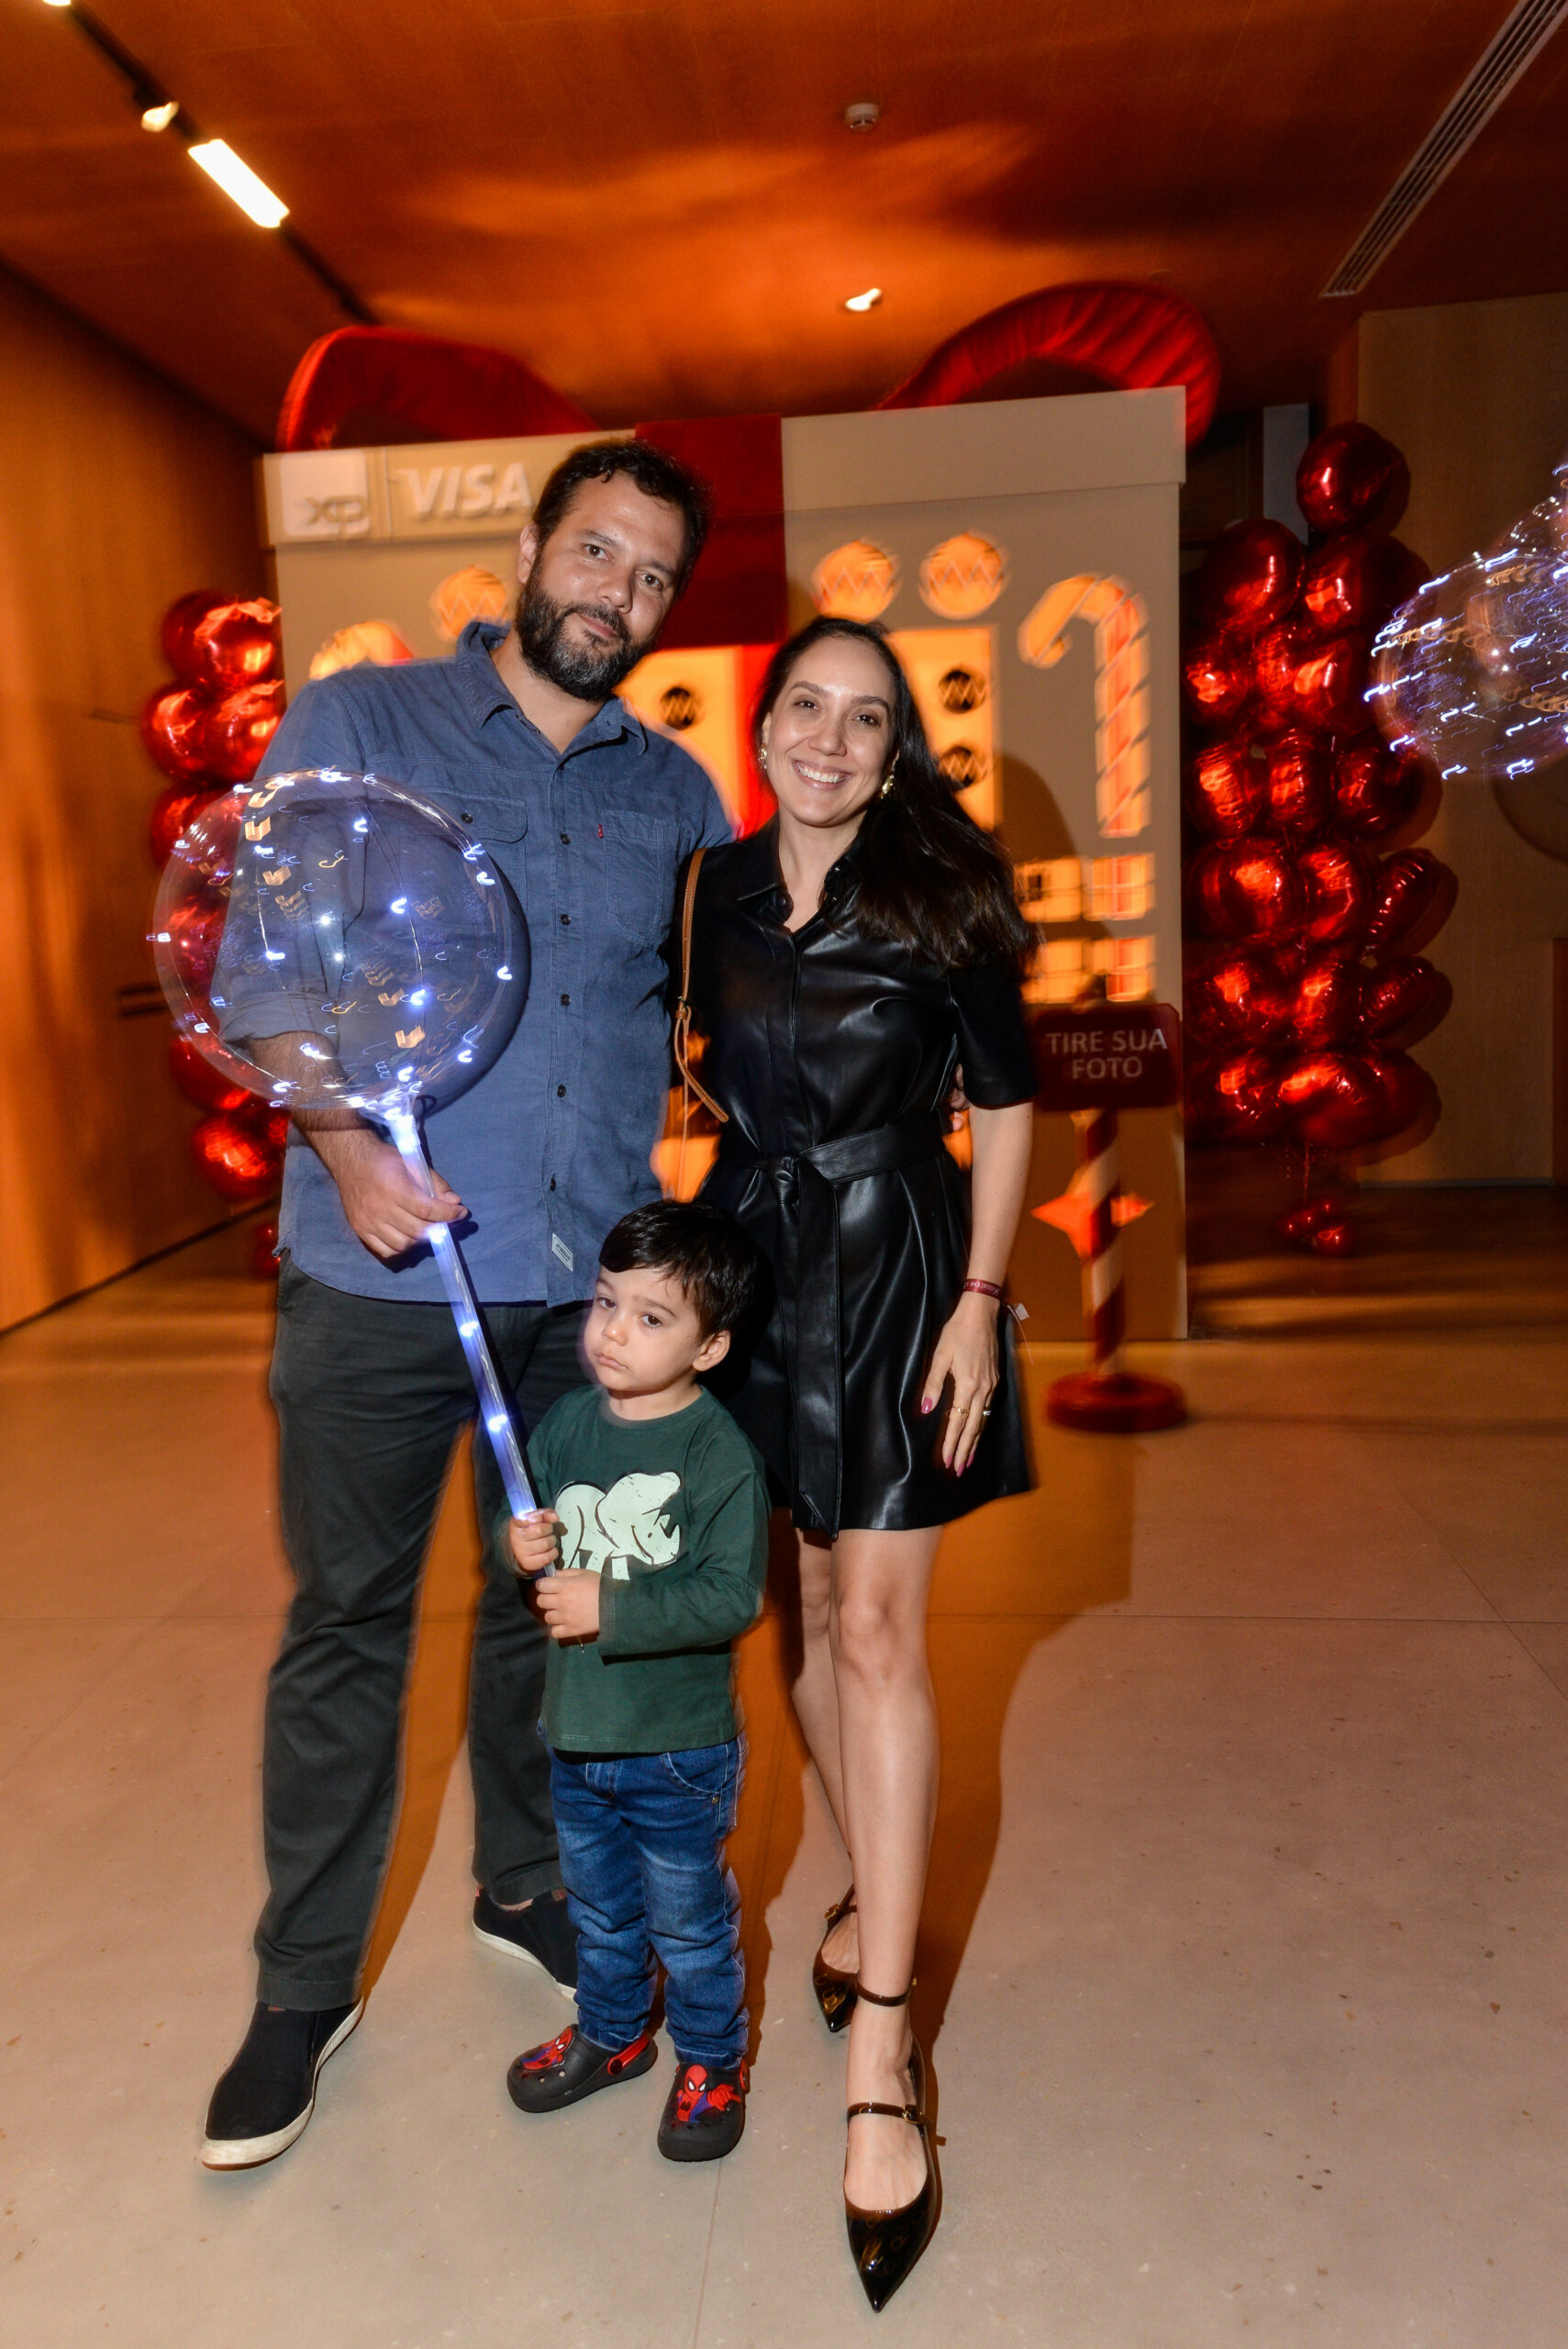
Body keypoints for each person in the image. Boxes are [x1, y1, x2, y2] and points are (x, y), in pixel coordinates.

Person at [202, 440, 734, 2172]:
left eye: (651, 576)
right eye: (595, 552)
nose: (617, 594)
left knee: (539, 1618)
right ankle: (303, 1987)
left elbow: (713, 1015)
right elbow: (256, 973)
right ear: (529, 545)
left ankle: (521, 1883)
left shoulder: (676, 795)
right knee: (349, 1622)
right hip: (376, 1276)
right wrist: (346, 1148)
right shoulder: (364, 724)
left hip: (581, 1301)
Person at [680, 617, 1035, 2306]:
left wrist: (981, 1305)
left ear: (896, 752)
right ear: (762, 728)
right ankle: (858, 1881)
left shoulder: (945, 893)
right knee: (803, 1622)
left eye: (866, 718)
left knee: (880, 1630)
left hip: (901, 1264)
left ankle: (882, 2053)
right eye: (806, 708)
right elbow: (696, 1079)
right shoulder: (711, 892)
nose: (829, 739)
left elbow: (1007, 1103)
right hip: (754, 1264)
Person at [503, 1200, 768, 2162]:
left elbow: (732, 1597)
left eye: (651, 1317)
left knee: (689, 1925)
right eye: (606, 1302)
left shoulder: (715, 1453)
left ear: (710, 1347)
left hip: (676, 1748)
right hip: (577, 1732)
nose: (613, 1331)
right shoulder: (568, 1424)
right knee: (600, 1911)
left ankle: (711, 2059)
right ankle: (614, 2033)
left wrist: (609, 1607)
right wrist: (520, 1550)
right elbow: (539, 1555)